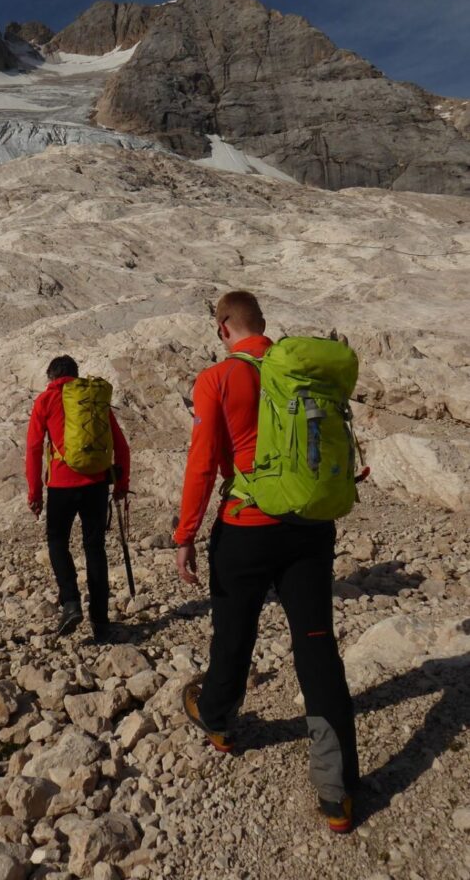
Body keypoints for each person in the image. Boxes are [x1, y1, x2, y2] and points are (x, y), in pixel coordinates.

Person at [174, 291, 359, 834]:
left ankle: (219, 722)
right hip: (308, 527)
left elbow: (203, 463)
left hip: (246, 528)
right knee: (316, 642)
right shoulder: (297, 370)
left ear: (224, 327)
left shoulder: (217, 379)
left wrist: (185, 534)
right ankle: (336, 791)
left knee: (233, 632)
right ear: (263, 324)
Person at [26, 355, 130, 642]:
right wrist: (121, 483)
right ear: (75, 374)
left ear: (51, 378)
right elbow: (121, 446)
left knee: (58, 542)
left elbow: (34, 449)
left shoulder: (44, 402)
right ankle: (101, 622)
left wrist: (35, 493)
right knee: (94, 548)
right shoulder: (92, 400)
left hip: (60, 485)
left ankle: (71, 603)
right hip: (96, 484)